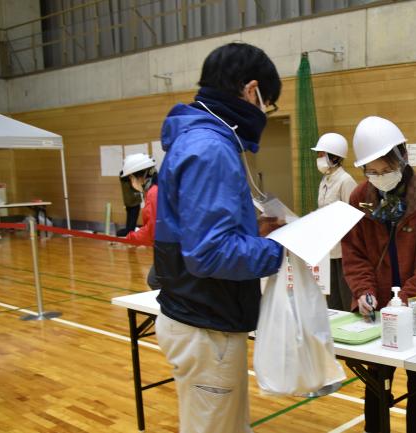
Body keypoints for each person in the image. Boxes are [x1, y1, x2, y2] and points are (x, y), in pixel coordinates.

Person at [153, 43, 284, 433]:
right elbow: (210, 253)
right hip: (206, 321)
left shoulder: (200, 138)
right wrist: (280, 249)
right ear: (251, 91)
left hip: (200, 314)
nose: (264, 113)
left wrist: (252, 233)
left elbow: (196, 233)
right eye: (268, 103)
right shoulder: (211, 146)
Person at [342, 116, 416, 433]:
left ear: (402, 159)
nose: (379, 178)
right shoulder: (359, 197)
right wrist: (363, 291)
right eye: (372, 172)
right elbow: (355, 253)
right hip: (378, 309)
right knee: (375, 379)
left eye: (385, 170)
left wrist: (402, 301)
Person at [311, 132, 357, 311]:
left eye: (322, 154)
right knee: (331, 299)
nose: (319, 158)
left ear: (335, 156)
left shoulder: (346, 181)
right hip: (327, 249)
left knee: (346, 297)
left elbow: (352, 217)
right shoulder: (324, 180)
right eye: (319, 154)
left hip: (344, 250)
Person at [119, 152, 160, 291]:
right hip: (176, 245)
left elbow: (152, 230)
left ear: (138, 176)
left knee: (155, 280)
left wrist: (131, 237)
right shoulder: (156, 189)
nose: (131, 182)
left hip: (175, 247)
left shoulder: (154, 193)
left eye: (131, 178)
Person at [117, 166, 142, 237]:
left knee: (129, 226)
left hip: (130, 203)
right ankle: (129, 236)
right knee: (131, 228)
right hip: (134, 202)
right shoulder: (130, 177)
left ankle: (127, 234)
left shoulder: (124, 175)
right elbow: (137, 186)